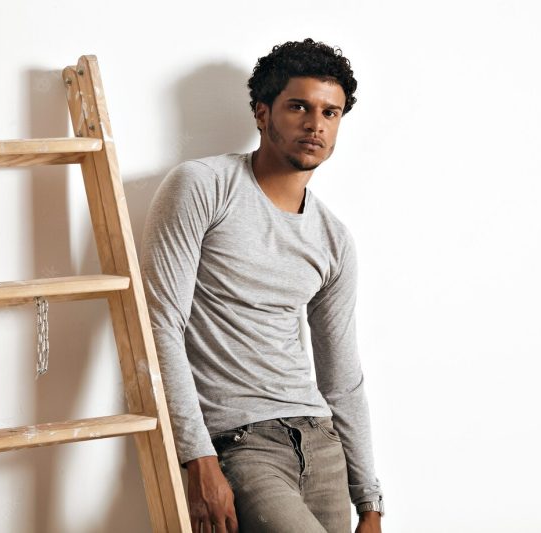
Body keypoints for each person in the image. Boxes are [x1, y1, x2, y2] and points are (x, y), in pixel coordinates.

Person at [141, 38, 383, 533]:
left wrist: (371, 502)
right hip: (240, 441)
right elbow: (160, 325)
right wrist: (197, 458)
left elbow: (342, 376)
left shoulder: (334, 239)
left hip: (321, 442)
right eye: (299, 106)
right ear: (261, 112)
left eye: (330, 113)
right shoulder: (203, 187)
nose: (316, 124)